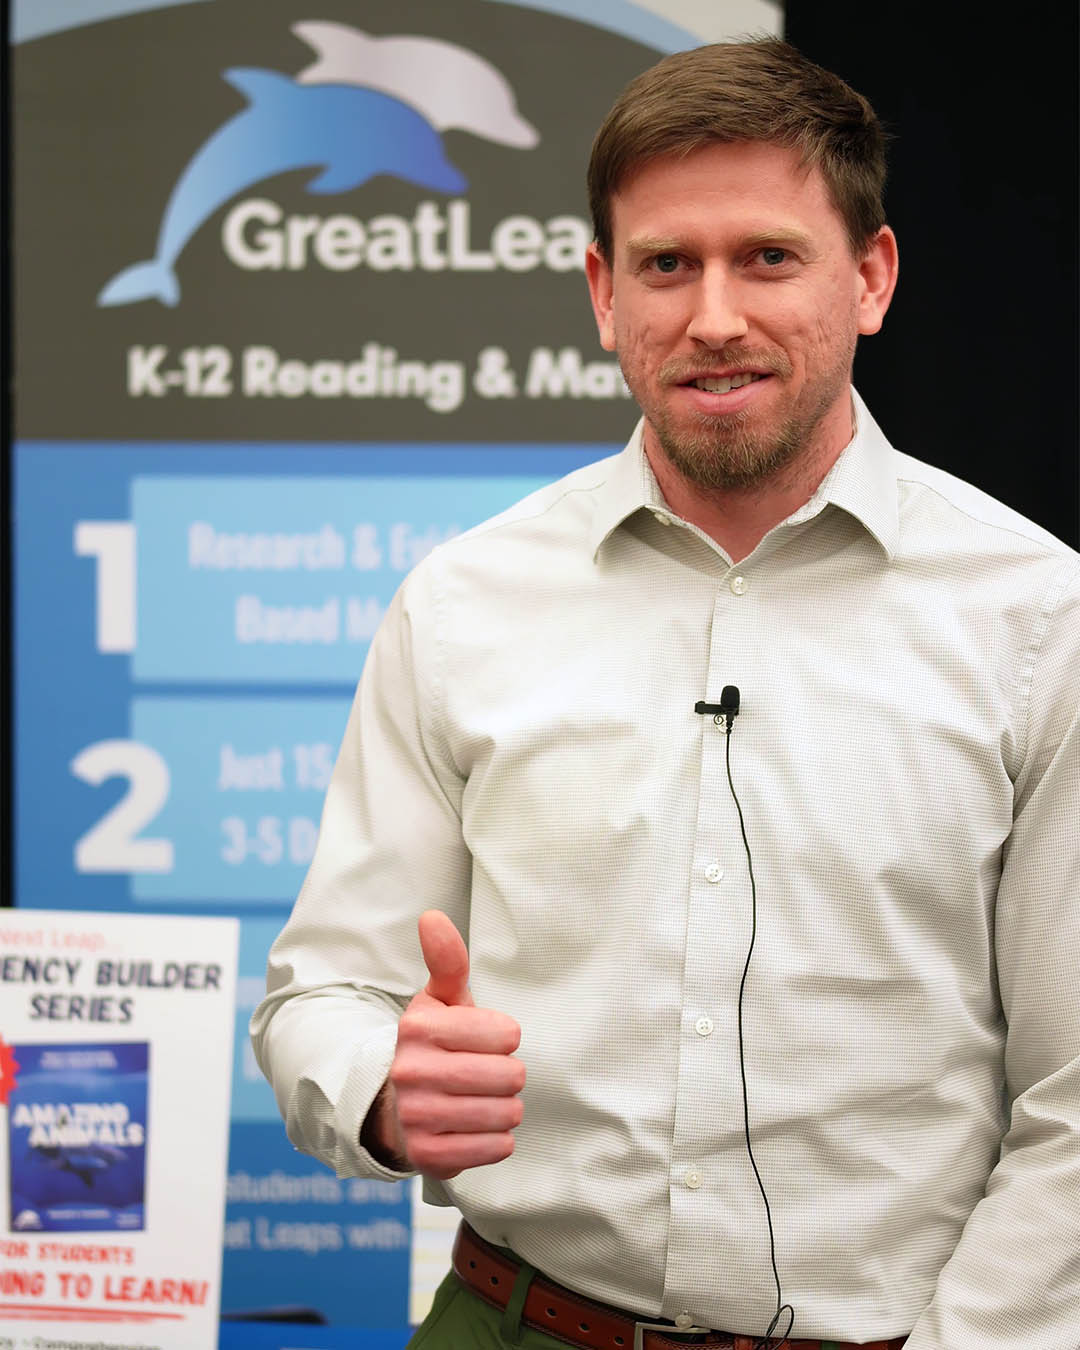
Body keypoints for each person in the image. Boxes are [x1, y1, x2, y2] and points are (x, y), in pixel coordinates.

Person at [252, 36, 1080, 1350]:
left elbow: (1073, 1096)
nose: (714, 318)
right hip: (509, 1321)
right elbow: (323, 996)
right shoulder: (463, 601)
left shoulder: (1039, 617)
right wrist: (382, 1091)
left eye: (769, 257)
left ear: (871, 277)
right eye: (666, 264)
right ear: (603, 292)